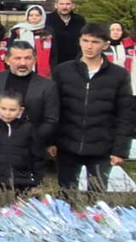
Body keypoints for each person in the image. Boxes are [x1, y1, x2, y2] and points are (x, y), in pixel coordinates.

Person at [50, 23, 133, 191]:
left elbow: (126, 114)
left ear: (105, 45)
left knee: (97, 196)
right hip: (67, 146)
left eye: (95, 42)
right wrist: (50, 141)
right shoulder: (63, 71)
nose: (89, 46)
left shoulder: (119, 75)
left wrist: (120, 149)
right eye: (85, 40)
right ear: (79, 41)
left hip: (102, 147)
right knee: (66, 195)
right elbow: (53, 109)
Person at [0, 40, 59, 161]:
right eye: (17, 58)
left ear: (35, 60)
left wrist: (31, 137)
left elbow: (51, 120)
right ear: (7, 60)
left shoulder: (47, 86)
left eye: (28, 58)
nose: (23, 63)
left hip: (29, 152)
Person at [0, 90, 46, 192]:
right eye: (3, 109)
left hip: (22, 182)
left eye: (12, 110)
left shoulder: (29, 128)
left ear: (21, 110)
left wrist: (37, 180)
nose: (7, 113)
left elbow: (38, 156)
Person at [8, 5, 55, 77]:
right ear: (27, 17)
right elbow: (10, 49)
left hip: (43, 70)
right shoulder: (17, 30)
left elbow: (53, 52)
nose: (34, 17)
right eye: (31, 15)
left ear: (42, 17)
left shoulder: (48, 31)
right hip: (21, 67)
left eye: (37, 15)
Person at [45, 0, 86, 65]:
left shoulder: (79, 20)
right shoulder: (47, 20)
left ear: (73, 6)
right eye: (61, 4)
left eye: (67, 4)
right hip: (54, 61)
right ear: (56, 5)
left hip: (75, 61)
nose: (64, 7)